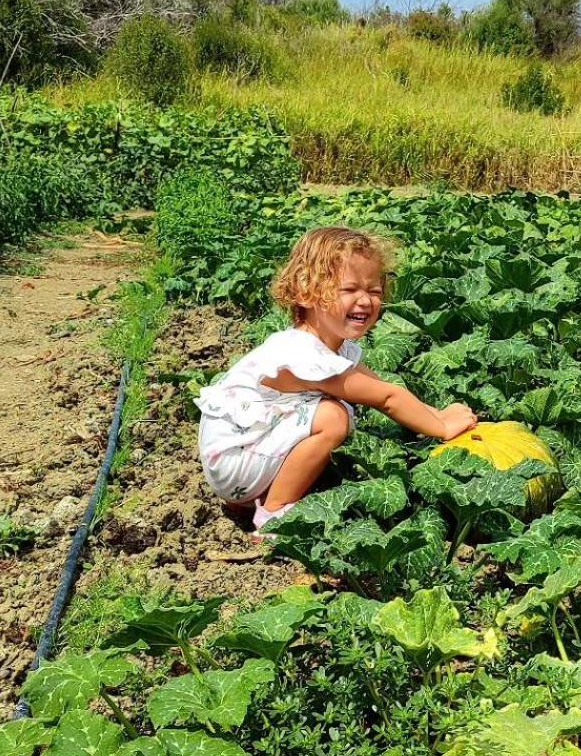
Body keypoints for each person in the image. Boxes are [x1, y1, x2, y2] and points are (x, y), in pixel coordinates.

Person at [196, 226, 477, 535]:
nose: (366, 301)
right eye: (349, 290)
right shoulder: (303, 354)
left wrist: (435, 412)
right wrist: (442, 427)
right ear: (306, 293)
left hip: (239, 455)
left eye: (374, 291)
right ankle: (274, 514)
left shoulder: (331, 347)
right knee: (334, 417)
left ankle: (254, 497)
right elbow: (386, 399)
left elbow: (383, 386)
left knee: (333, 411)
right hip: (233, 465)